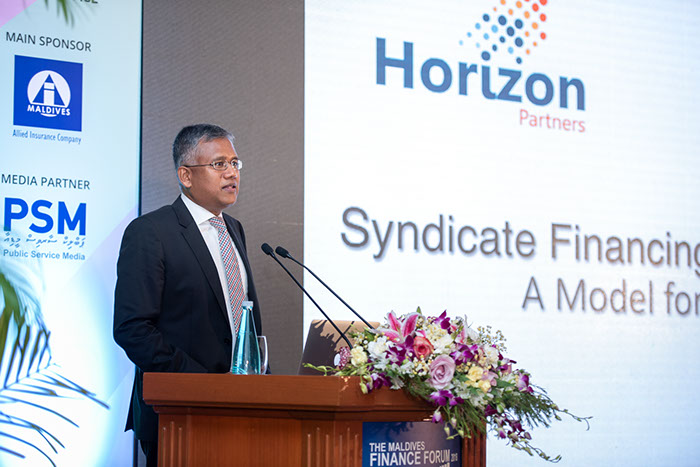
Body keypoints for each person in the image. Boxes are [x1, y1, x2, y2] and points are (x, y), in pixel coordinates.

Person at [113, 124, 263, 466]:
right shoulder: (151, 232)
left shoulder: (234, 229)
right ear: (186, 175)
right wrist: (203, 383)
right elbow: (132, 328)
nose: (232, 173)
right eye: (219, 164)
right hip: (178, 413)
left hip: (241, 408)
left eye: (235, 163)